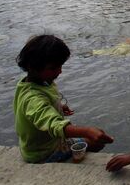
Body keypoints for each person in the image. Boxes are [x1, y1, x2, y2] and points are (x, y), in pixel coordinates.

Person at [14, 35, 113, 163]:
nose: (60, 71)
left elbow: (42, 110)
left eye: (60, 66)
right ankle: (67, 161)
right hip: (44, 152)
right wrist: (87, 131)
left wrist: (58, 106)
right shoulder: (32, 98)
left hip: (42, 144)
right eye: (53, 68)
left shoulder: (38, 82)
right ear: (34, 67)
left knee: (93, 136)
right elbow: (54, 124)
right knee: (95, 142)